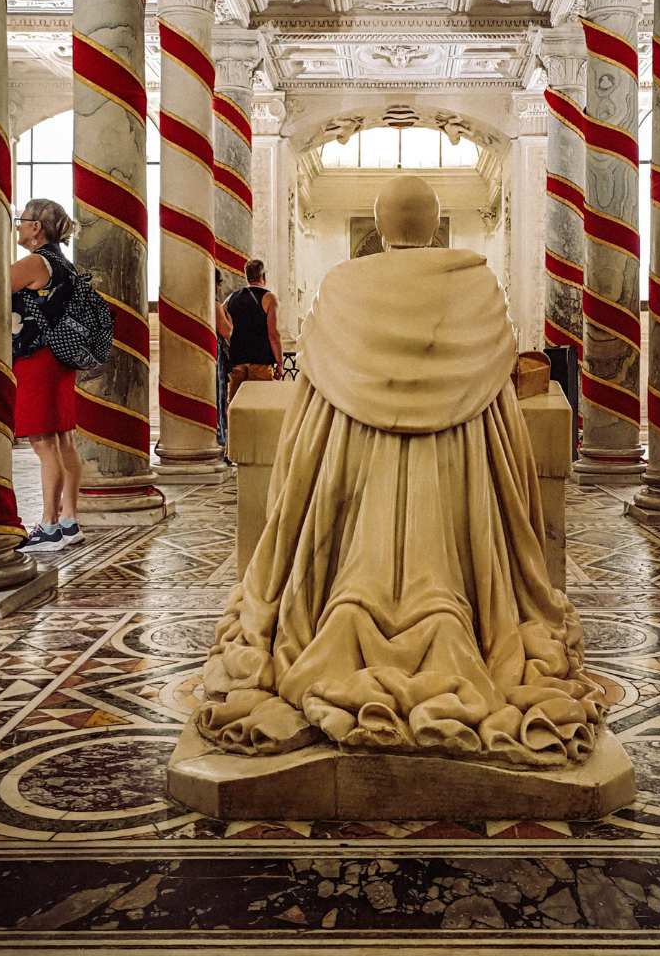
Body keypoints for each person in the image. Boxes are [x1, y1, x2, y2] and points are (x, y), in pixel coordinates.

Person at [192, 175, 604, 768]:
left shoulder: (343, 285)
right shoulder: (475, 283)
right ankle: (454, 628)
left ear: (381, 227)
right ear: (434, 226)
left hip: (357, 463)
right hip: (454, 465)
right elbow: (498, 396)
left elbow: (314, 398)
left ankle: (345, 619)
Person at [10, 199, 85, 552]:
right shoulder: (64, 264)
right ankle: (69, 520)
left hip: (36, 358)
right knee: (63, 439)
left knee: (43, 444)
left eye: (22, 221)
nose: (19, 227)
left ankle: (49, 525)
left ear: (37, 227)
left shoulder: (34, 263)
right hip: (60, 359)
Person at [220, 259, 283, 403]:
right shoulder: (269, 298)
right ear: (264, 277)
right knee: (261, 407)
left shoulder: (232, 298)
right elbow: (274, 334)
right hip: (260, 362)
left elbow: (221, 319)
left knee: (236, 409)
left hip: (237, 362)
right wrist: (279, 363)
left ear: (246, 277)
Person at [214, 270, 233, 459]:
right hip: (214, 356)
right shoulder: (215, 304)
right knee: (219, 398)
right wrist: (229, 319)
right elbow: (227, 331)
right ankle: (221, 441)